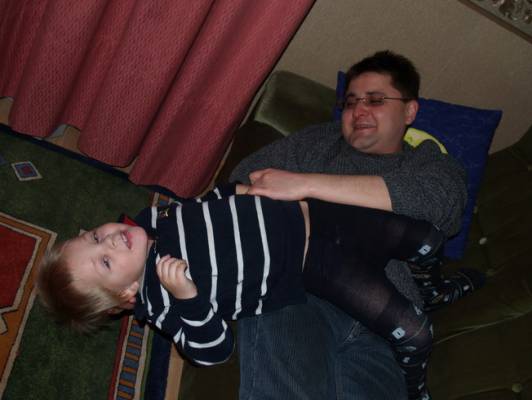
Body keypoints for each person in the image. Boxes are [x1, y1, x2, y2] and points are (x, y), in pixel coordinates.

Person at [229, 50, 469, 400]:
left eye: (375, 100)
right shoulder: (318, 142)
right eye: (351, 101)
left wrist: (304, 185)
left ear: (409, 111)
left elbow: (442, 205)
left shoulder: (429, 163)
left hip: (387, 326)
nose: (359, 110)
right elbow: (241, 180)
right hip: (300, 293)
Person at [36, 182, 445, 384]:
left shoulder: (153, 219)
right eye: (105, 261)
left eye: (95, 237)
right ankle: (415, 384)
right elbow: (213, 351)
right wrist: (188, 297)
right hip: (314, 264)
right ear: (125, 295)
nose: (108, 240)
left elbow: (202, 206)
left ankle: (431, 285)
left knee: (428, 238)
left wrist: (240, 189)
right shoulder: (162, 303)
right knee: (415, 333)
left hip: (315, 212)